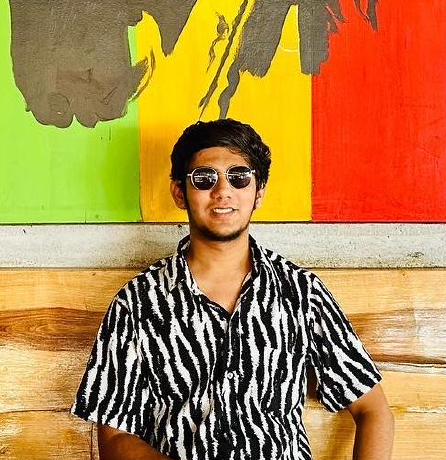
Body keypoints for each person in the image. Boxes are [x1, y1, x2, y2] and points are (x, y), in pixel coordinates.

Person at [71, 119, 394, 460]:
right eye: (204, 178)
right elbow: (115, 436)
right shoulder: (138, 303)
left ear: (259, 192)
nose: (223, 191)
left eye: (239, 177)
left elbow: (374, 411)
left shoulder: (301, 293)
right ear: (180, 192)